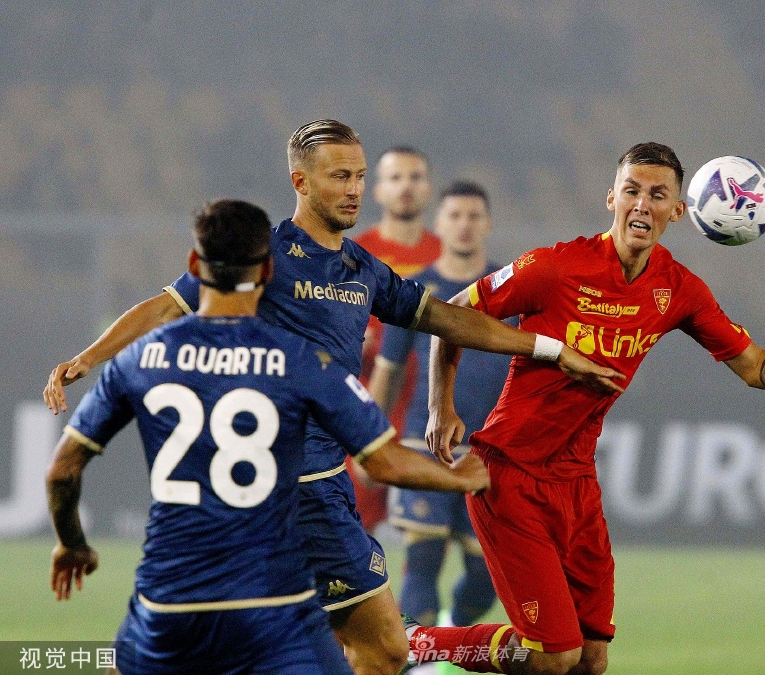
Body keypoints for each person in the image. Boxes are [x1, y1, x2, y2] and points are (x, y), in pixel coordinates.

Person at [42, 120, 623, 675]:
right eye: (339, 176)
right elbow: (166, 306)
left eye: (359, 176)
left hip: (321, 480)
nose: (354, 190)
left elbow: (447, 319)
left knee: (345, 645)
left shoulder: (361, 269)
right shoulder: (263, 257)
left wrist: (549, 348)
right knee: (373, 646)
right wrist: (88, 357)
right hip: (295, 488)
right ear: (300, 181)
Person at [407, 143, 765, 675]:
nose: (642, 204)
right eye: (632, 191)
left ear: (680, 210)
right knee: (554, 656)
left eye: (658, 195)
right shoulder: (556, 266)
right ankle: (415, 643)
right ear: (612, 198)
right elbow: (451, 313)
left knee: (591, 659)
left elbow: (750, 364)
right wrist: (440, 405)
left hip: (576, 484)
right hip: (510, 474)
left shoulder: (678, 289)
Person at [47, 199, 488, 674]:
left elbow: (62, 472)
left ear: (194, 264)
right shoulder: (298, 359)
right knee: (382, 649)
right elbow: (384, 462)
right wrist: (464, 476)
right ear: (268, 270)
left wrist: (72, 544)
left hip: (168, 594)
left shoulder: (141, 359)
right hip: (273, 597)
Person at [368, 182, 508, 670]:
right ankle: (421, 663)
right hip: (422, 444)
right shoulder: (413, 292)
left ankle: (448, 628)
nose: (464, 224)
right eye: (455, 215)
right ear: (440, 224)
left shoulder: (508, 291)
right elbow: (387, 371)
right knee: (423, 558)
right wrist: (366, 441)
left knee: (487, 575)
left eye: (474, 215)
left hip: (489, 454)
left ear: (487, 224)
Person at [350, 146, 441, 535]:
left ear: (428, 188)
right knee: (354, 526)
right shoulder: (353, 255)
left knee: (424, 535)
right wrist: (351, 340)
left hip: (426, 407)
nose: (406, 186)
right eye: (395, 177)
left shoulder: (445, 256)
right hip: (367, 400)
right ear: (378, 190)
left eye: (415, 177)